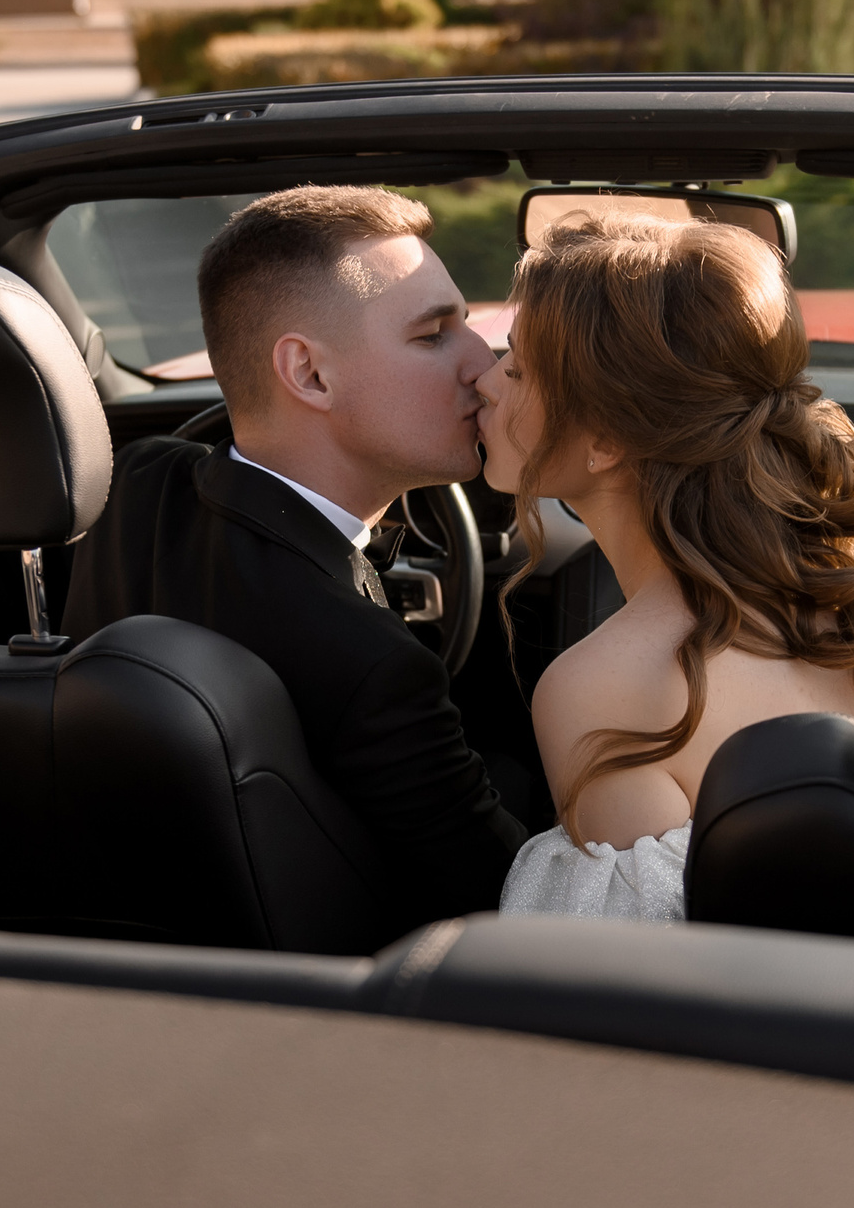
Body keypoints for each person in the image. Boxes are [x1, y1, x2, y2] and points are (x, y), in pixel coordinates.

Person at [476, 213, 854, 924]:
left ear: (605, 440)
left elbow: (629, 978)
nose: (484, 381)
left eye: (517, 368)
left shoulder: (605, 689)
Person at [63, 184, 526, 938]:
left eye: (468, 326)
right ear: (309, 374)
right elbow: (507, 895)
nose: (482, 365)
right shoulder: (374, 666)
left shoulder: (138, 481)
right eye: (434, 334)